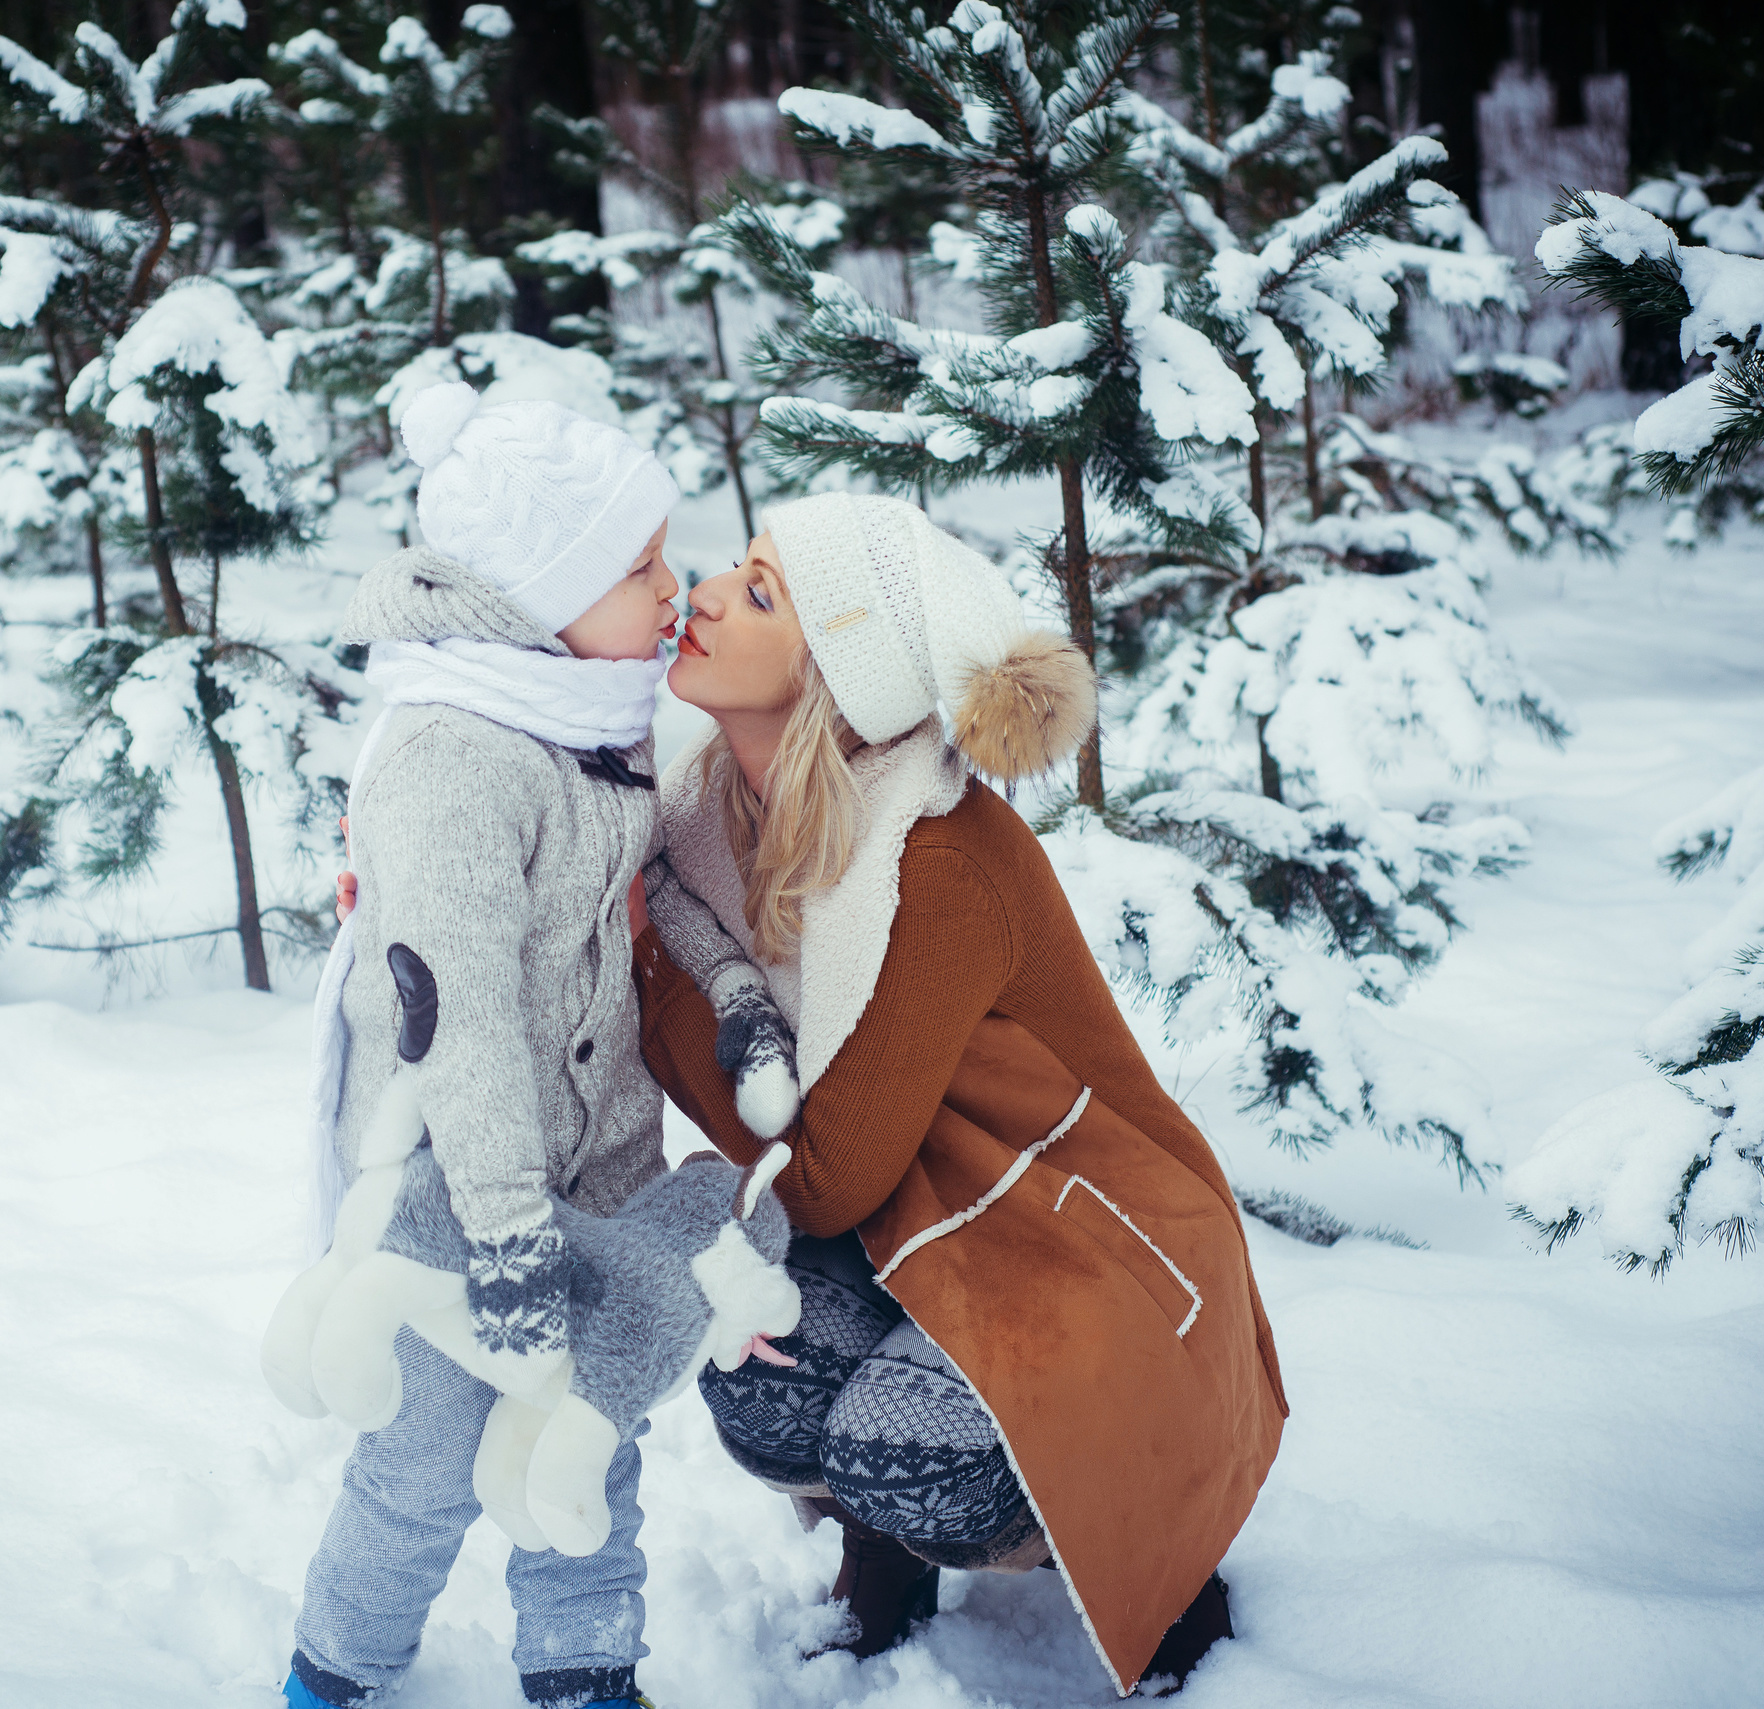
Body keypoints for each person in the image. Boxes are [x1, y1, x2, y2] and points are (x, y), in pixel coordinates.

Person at [629, 493, 1289, 1697]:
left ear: (835, 672)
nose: (708, 592)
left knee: (907, 1454)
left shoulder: (933, 859)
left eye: (763, 590)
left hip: (1084, 1245)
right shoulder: (708, 806)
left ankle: (1165, 1545)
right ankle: (881, 1562)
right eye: (735, 566)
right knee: (757, 1370)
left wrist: (656, 968)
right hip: (915, 1227)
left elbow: (823, 1177)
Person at [284, 381, 778, 1709]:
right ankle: (337, 1666)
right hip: (459, 1185)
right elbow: (461, 1015)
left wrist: (734, 987)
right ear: (537, 589)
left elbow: (645, 882)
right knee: (428, 1450)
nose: (673, 586)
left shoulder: (586, 716)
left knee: (584, 1441)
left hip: (599, 1160)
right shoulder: (457, 756)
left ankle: (584, 1673)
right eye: (638, 565)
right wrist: (507, 1231)